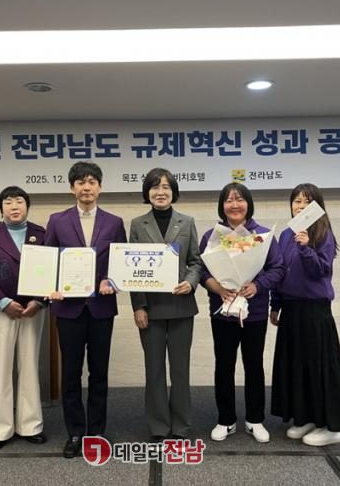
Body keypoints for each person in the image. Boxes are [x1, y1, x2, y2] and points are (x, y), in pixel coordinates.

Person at [44, 161, 127, 458]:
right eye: (80, 182)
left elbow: (121, 263)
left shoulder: (114, 222)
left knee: (99, 373)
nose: (86, 187)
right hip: (68, 310)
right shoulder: (57, 220)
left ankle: (97, 432)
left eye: (92, 182)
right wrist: (51, 287)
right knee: (70, 374)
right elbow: (48, 261)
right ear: (72, 188)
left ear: (100, 187)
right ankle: (75, 432)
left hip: (101, 308)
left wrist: (111, 281)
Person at [199, 182, 285, 444]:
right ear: (222, 205)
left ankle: (254, 420)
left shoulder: (263, 235)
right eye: (228, 200)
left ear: (248, 204)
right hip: (223, 312)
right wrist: (215, 286)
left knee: (254, 365)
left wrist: (258, 285)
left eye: (239, 199)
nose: (234, 204)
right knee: (223, 366)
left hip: (254, 312)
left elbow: (278, 268)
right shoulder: (212, 236)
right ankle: (225, 420)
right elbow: (201, 270)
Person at [269, 183, 340, 446]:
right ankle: (306, 417)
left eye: (307, 201)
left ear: (318, 206)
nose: (301, 206)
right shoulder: (286, 234)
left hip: (315, 311)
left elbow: (321, 271)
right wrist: (275, 304)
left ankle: (332, 427)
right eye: (297, 201)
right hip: (291, 309)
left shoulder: (323, 233)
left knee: (319, 366)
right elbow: (279, 271)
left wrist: (305, 248)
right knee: (297, 365)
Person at [130, 168, 203, 442]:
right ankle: (159, 426)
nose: (160, 192)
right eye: (154, 187)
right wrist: (138, 306)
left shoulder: (187, 222)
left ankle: (181, 426)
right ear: (147, 192)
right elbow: (131, 269)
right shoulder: (138, 224)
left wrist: (191, 282)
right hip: (150, 309)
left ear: (173, 192)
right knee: (154, 370)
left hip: (181, 305)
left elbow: (196, 261)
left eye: (165, 187)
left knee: (180, 370)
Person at [0, 186, 47, 452]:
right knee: (1, 369)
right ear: (1, 208)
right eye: (8, 202)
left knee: (29, 366)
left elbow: (51, 269)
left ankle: (30, 425)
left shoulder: (41, 234)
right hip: (0, 311)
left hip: (32, 310)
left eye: (19, 202)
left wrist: (39, 301)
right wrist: (3, 302)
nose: (14, 206)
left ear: (27, 206)